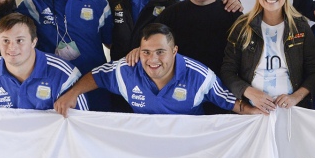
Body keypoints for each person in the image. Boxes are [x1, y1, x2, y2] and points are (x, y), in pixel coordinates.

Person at [54, 24, 242, 116]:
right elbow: (97, 76)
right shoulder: (126, 70)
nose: (153, 60)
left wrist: (258, 114)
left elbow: (230, 102)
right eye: (146, 52)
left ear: (174, 51)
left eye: (160, 52)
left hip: (188, 156)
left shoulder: (200, 76)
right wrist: (72, 93)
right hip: (145, 156)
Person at [17, 0, 112, 111]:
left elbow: (114, 44)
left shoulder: (99, 4)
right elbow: (11, 33)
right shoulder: (33, 3)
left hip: (94, 91)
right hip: (48, 92)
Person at [222, 0, 315, 113]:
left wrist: (295, 98)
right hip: (254, 111)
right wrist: (250, 92)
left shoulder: (300, 26)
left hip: (292, 111)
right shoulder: (242, 26)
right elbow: (227, 71)